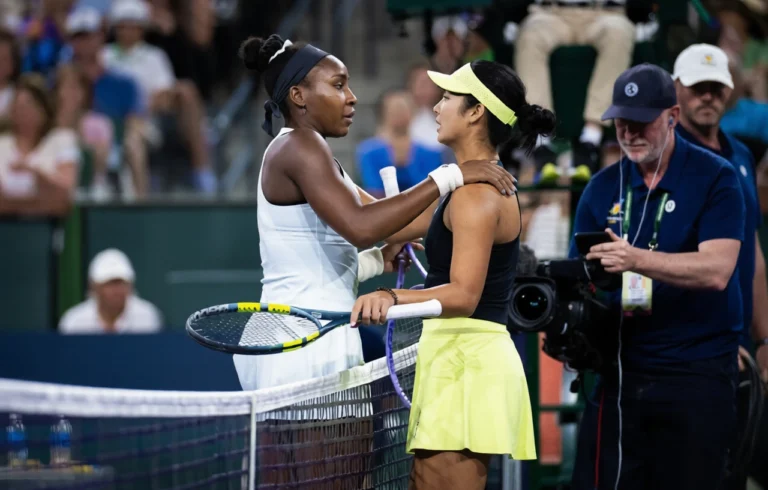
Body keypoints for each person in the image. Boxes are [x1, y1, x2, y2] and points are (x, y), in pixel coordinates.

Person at [231, 34, 515, 390]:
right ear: (298, 96)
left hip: (319, 333)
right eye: (338, 85)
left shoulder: (311, 152)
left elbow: (398, 222)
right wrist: (450, 176)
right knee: (319, 447)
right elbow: (362, 227)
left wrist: (380, 261)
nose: (351, 98)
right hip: (300, 340)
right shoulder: (299, 147)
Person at [351, 60, 554, 490]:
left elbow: (463, 294)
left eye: (447, 98)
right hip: (454, 359)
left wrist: (390, 297)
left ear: (476, 112)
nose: (437, 108)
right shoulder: (462, 191)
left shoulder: (476, 197)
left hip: (469, 364)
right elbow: (373, 223)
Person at [570, 63, 746, 490]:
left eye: (642, 123)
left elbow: (718, 269)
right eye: (621, 123)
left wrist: (635, 259)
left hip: (694, 373)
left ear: (672, 117)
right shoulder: (602, 188)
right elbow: (579, 276)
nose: (629, 133)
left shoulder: (715, 177)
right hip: (621, 376)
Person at [671, 43, 768, 488]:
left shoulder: (741, 156)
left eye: (716, 88)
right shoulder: (668, 158)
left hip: (742, 347)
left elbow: (753, 255)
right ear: (677, 90)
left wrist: (765, 337)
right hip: (694, 350)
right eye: (697, 88)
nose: (707, 97)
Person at [356, 88, 444, 197]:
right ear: (383, 113)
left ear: (413, 112)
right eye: (394, 109)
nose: (399, 114)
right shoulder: (368, 151)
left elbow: (430, 191)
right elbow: (373, 189)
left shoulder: (431, 153)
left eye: (402, 108)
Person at [59, 248, 163, 334]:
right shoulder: (74, 321)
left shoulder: (147, 316)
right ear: (94, 287)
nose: (117, 291)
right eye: (110, 284)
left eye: (121, 283)